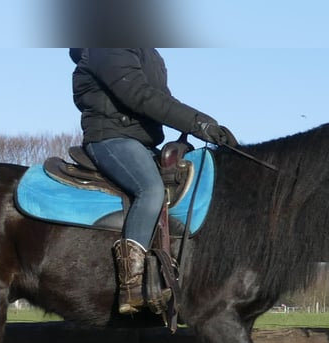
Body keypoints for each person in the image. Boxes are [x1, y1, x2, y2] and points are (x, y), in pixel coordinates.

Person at [69, 48, 238, 315]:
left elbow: (161, 100)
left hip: (143, 143)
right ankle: (132, 285)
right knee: (150, 190)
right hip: (111, 138)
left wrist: (204, 124)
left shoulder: (149, 53)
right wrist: (198, 123)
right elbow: (138, 95)